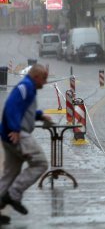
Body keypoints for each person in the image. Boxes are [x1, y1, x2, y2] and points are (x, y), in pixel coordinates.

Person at [0, 64, 51, 218]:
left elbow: (23, 110)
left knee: (10, 173)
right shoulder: (25, 86)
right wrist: (15, 129)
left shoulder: (29, 87)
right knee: (40, 163)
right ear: (36, 77)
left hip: (8, 134)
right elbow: (11, 107)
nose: (45, 82)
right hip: (17, 134)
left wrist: (40, 115)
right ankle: (13, 195)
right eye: (44, 78)